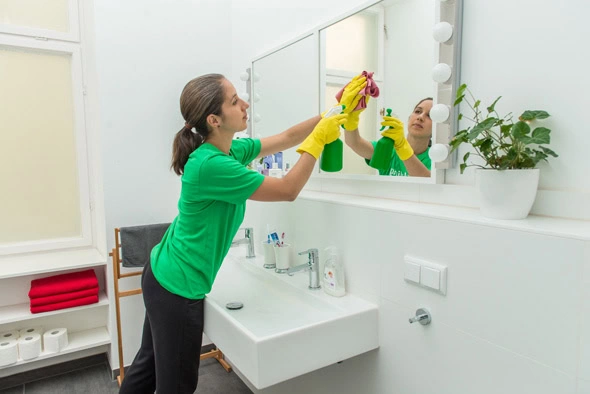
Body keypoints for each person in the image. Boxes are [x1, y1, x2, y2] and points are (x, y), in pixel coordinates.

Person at [118, 73, 366, 394]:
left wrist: (334, 111)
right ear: (214, 119)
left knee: (147, 367)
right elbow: (288, 190)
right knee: (176, 386)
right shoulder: (212, 165)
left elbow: (288, 136)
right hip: (177, 288)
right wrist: (317, 141)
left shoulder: (229, 151)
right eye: (235, 100)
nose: (245, 104)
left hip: (162, 271)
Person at [343, 97, 433, 177]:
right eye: (418, 111)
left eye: (429, 116)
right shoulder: (388, 149)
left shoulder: (435, 158)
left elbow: (427, 181)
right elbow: (354, 142)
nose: (420, 117)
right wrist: (351, 119)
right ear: (409, 118)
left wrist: (403, 147)